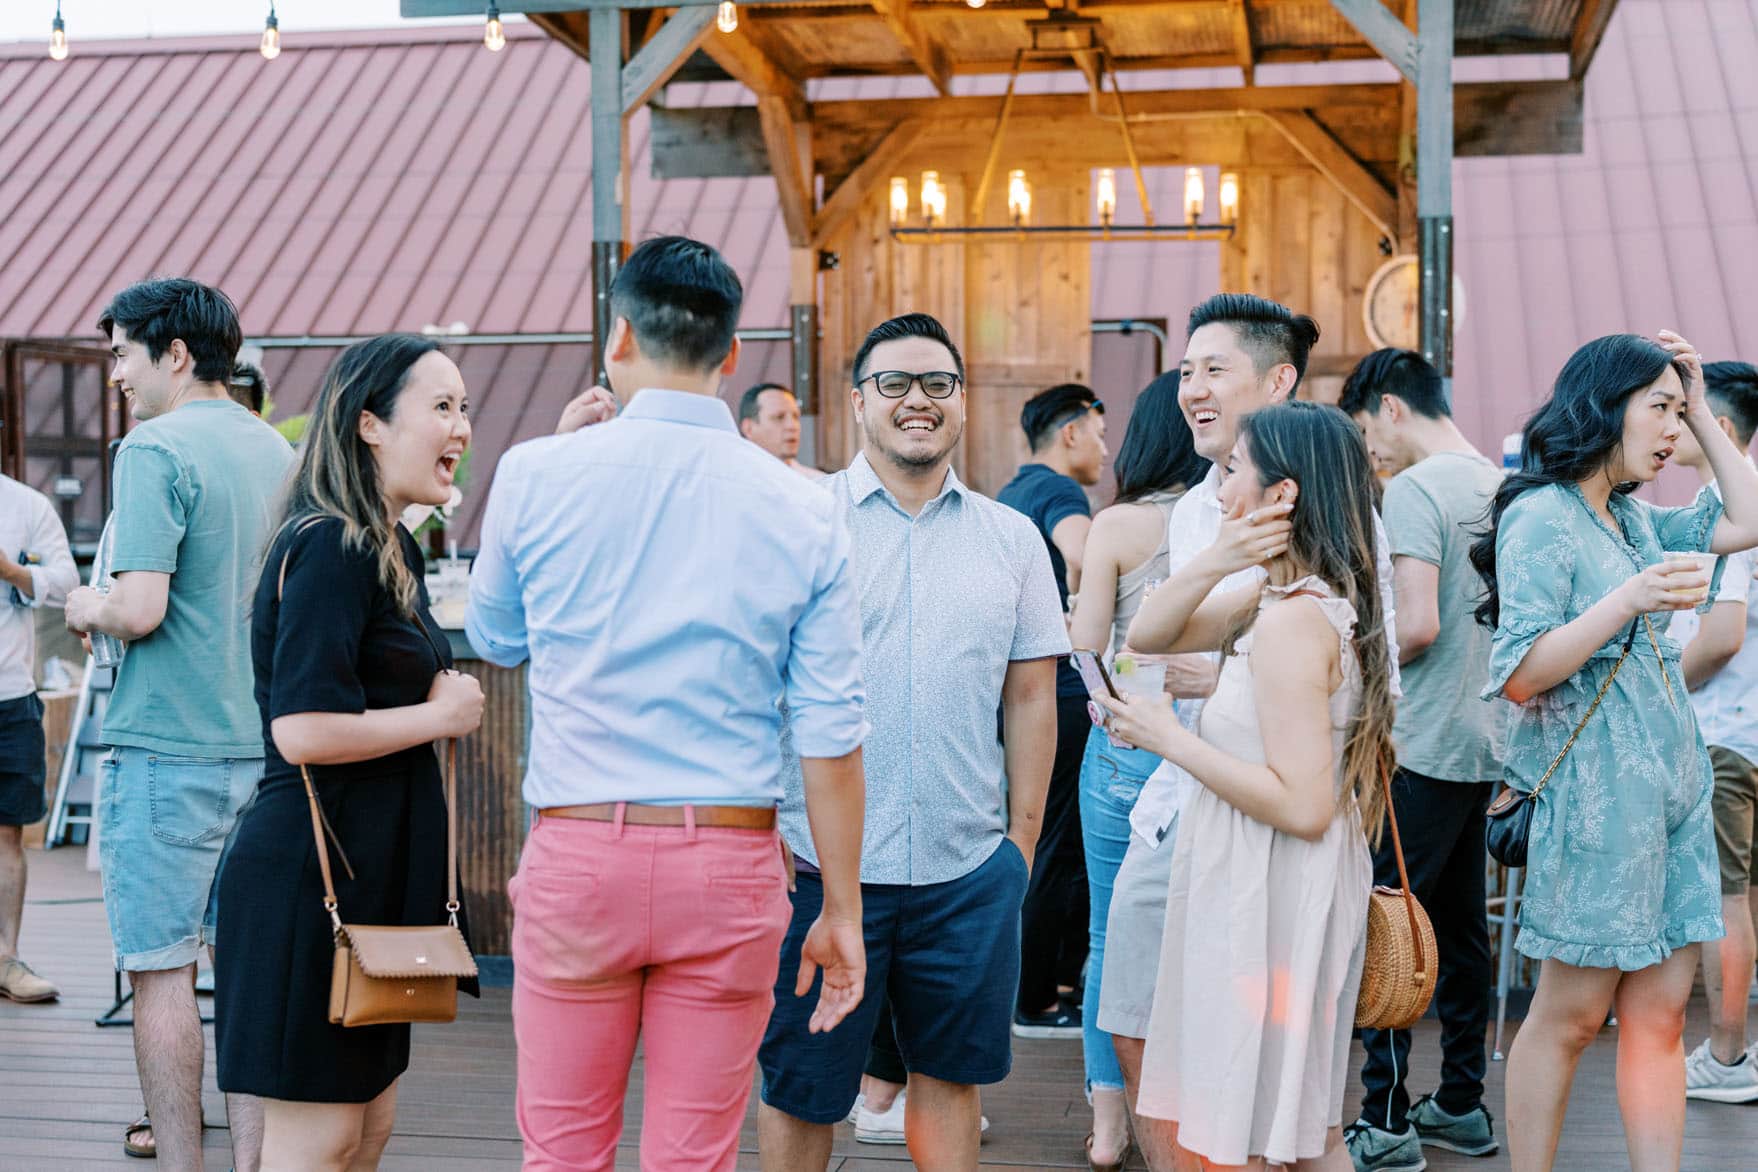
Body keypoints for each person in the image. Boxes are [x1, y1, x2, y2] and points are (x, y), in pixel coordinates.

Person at [467, 236, 869, 1172]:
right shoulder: (807, 507)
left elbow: (494, 640)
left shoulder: (536, 473)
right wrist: (841, 909)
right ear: (731, 356)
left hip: (580, 850)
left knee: (564, 1152)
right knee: (695, 1156)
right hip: (729, 859)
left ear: (619, 338)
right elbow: (831, 732)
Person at [1092, 293, 1398, 1171]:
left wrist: (1171, 739)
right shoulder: (1269, 592)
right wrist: (1226, 551)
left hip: (1278, 885)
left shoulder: (1296, 620)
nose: (1218, 484)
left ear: (1283, 493)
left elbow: (1303, 806)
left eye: (1236, 474)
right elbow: (1148, 633)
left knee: (1283, 1131)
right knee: (1283, 1124)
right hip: (1249, 874)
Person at [758, 312, 1065, 1172]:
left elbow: (1033, 695)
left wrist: (1023, 846)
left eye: (937, 383)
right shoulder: (803, 522)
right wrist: (757, 822)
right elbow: (750, 681)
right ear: (858, 403)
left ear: (964, 404)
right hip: (816, 869)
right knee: (801, 1082)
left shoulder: (1011, 539)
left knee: (951, 1076)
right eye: (893, 382)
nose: (917, 400)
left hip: (965, 869)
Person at [1470, 332, 1758, 1171]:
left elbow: (1747, 518)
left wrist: (1705, 408)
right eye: (1660, 409)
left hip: (1674, 794)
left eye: (1679, 410)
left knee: (1664, 1017)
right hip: (1597, 805)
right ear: (1605, 405)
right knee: (1570, 1017)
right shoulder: (1541, 513)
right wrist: (1631, 600)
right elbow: (1519, 673)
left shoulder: (1630, 513)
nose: (1672, 430)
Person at [212, 334, 485, 1169]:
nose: (462, 428)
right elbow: (301, 730)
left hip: (369, 887)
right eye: (441, 406)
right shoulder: (332, 545)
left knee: (363, 1136)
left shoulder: (388, 545)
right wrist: (442, 717)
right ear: (369, 423)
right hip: (309, 887)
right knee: (319, 1143)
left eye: (463, 408)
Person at [63, 278, 293, 1170]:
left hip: (165, 750)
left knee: (162, 973)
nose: (117, 372)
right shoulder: (276, 450)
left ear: (177, 354)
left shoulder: (152, 448)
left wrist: (89, 600)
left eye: (123, 352)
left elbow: (142, 607)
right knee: (249, 979)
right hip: (267, 753)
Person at [1339, 349, 1505, 1169]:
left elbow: (1416, 625)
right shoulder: (1507, 485)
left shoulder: (1414, 490)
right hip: (1492, 746)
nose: (1370, 451)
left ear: (1391, 408)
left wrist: (1346, 660)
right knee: (1464, 932)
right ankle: (1464, 1103)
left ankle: (1386, 1118)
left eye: (1367, 431)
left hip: (1423, 743)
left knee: (1392, 929)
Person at [1065, 370, 1206, 1170]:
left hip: (1125, 749)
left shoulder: (1118, 525)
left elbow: (1086, 639)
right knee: (1202, 936)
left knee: (1106, 939)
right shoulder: (1229, 519)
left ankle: (1112, 1124)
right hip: (1212, 747)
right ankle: (1193, 1113)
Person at [998, 382, 1107, 1037]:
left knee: (1037, 837)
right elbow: (1089, 553)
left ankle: (1048, 985)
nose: (1104, 447)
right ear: (1070, 433)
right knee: (1058, 847)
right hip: (1061, 693)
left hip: (1018, 692)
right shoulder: (1061, 493)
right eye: (1098, 431)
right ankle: (1037, 999)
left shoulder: (1012, 493)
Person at [1665, 360, 1758, 1103]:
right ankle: (1733, 1051)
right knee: (1744, 897)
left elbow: (1721, 634)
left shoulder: (1723, 504)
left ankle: (1727, 1059)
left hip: (1723, 733)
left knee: (1724, 900)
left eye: (1682, 412)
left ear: (1717, 428)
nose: (1670, 426)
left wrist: (1661, 688)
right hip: (1750, 733)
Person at [0, 472, 79, 1005]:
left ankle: (7, 959)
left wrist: (11, 570)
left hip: (10, 694)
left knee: (8, 835)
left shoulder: (25, 504)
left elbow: (69, 584)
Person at [739, 381, 826, 479]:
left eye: (796, 416)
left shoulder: (819, 483)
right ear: (748, 428)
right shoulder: (732, 481)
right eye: (779, 417)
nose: (792, 426)